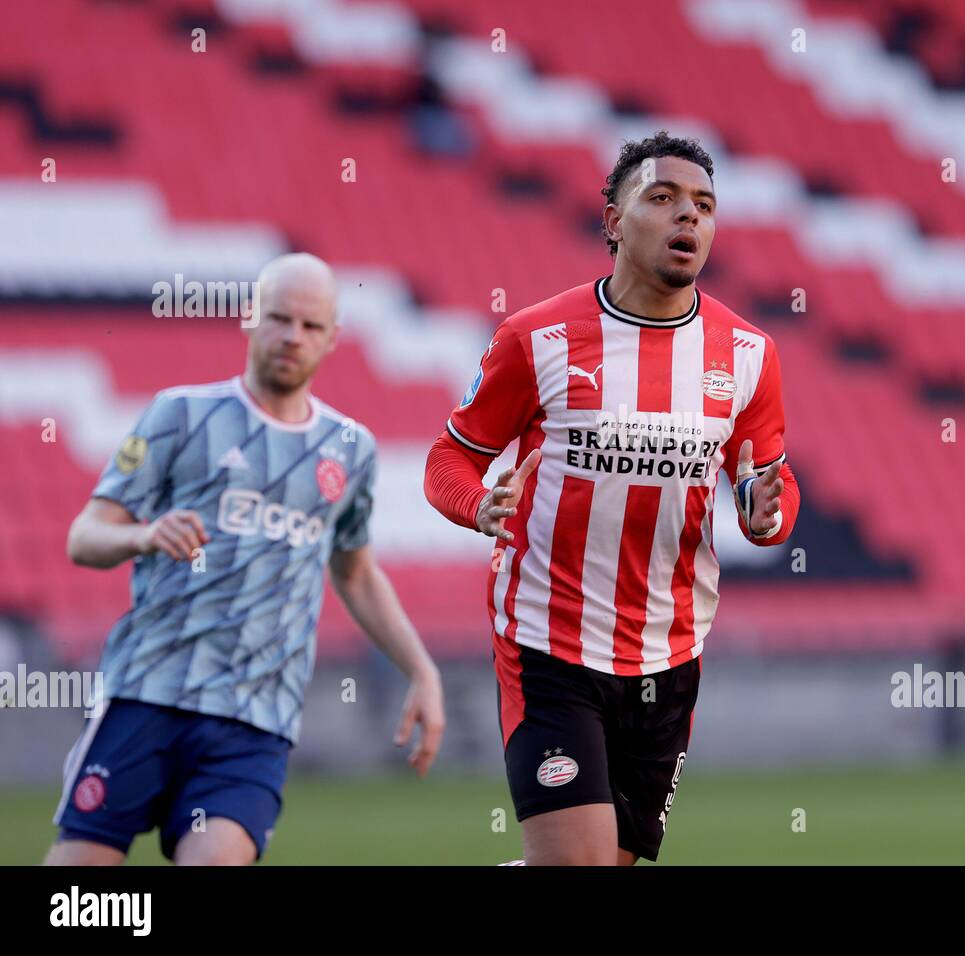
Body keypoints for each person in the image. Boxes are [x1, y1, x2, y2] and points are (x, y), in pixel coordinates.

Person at [425, 132, 800, 865]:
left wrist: (767, 509)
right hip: (549, 641)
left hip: (669, 651)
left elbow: (769, 480)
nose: (686, 217)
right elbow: (451, 457)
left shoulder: (749, 353)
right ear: (613, 223)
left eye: (703, 206)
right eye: (661, 199)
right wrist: (479, 507)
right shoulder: (537, 338)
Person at [46, 253, 445, 865]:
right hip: (148, 693)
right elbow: (86, 536)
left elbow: (355, 570)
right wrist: (144, 536)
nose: (293, 337)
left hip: (254, 721)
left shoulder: (349, 448)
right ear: (251, 319)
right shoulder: (179, 415)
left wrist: (422, 670)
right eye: (280, 319)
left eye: (311, 326)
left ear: (334, 338)